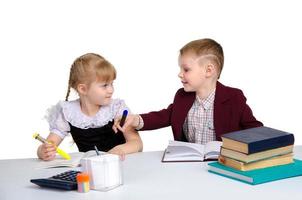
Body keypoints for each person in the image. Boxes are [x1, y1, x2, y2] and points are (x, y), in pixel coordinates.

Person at [113, 38, 263, 144]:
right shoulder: (182, 97)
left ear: (208, 70)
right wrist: (135, 119)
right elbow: (164, 116)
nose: (180, 74)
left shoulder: (233, 98)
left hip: (223, 167)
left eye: (186, 69)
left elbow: (256, 131)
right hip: (189, 168)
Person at [37, 53, 143, 161]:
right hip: (90, 171)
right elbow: (50, 143)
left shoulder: (117, 108)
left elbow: (137, 143)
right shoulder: (68, 112)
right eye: (105, 85)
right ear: (83, 89)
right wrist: (43, 151)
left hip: (121, 166)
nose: (111, 90)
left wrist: (121, 150)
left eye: (112, 84)